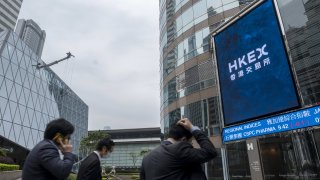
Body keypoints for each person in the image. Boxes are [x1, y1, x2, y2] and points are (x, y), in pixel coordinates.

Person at [140, 118, 217, 180]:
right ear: (183, 140)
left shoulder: (147, 158)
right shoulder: (179, 149)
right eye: (190, 142)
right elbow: (210, 152)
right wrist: (193, 128)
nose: (191, 145)